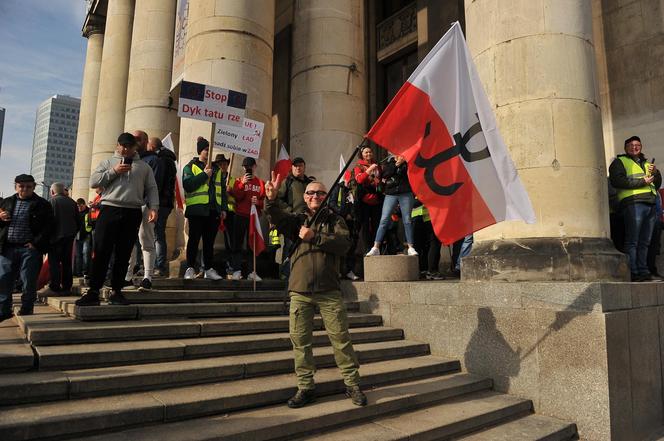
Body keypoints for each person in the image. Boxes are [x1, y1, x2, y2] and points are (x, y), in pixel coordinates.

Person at [264, 173, 367, 408]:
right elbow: (278, 218)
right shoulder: (297, 219)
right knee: (301, 342)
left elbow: (344, 244)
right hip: (300, 291)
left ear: (326, 196)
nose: (315, 196)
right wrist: (270, 200)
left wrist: (314, 236)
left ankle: (352, 384)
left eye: (320, 192)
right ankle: (305, 387)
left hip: (329, 291)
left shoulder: (335, 219)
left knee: (341, 339)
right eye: (310, 192)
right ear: (305, 196)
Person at [75, 132, 159, 306]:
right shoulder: (108, 162)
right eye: (122, 145)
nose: (125, 149)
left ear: (135, 147)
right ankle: (93, 291)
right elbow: (93, 181)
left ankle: (116, 291)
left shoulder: (144, 167)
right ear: (118, 145)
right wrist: (114, 171)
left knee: (124, 253)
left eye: (129, 146)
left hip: (132, 211)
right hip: (109, 209)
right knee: (101, 251)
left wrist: (154, 208)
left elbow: (151, 188)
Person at [609, 135, 662, 282]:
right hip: (633, 203)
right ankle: (634, 272)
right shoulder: (620, 162)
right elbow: (617, 181)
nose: (634, 147)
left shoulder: (646, 163)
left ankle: (644, 271)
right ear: (626, 148)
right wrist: (642, 181)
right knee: (633, 240)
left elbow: (656, 184)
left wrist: (656, 174)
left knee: (645, 241)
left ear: (641, 147)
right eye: (631, 145)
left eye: (637, 145)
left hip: (650, 203)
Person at [0, 174, 54, 321]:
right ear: (15, 186)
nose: (24, 189)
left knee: (28, 280)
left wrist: (36, 244)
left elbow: (48, 228)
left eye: (28, 186)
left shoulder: (43, 204)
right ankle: (4, 310)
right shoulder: (7, 202)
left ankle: (27, 308)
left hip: (29, 249)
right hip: (7, 248)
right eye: (21, 186)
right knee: (3, 280)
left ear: (34, 187)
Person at [182, 137, 226, 280]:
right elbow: (188, 185)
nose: (208, 152)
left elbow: (222, 190)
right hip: (197, 210)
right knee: (194, 240)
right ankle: (190, 268)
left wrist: (223, 208)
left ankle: (208, 268)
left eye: (209, 149)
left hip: (213, 210)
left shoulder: (217, 169)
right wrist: (204, 175)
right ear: (200, 151)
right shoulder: (191, 166)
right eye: (206, 149)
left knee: (209, 242)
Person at [123, 130, 158, 291]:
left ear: (145, 141)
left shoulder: (152, 160)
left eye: (138, 139)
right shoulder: (127, 159)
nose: (134, 142)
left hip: (144, 205)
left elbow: (153, 186)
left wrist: (153, 207)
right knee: (128, 242)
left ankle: (147, 278)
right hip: (129, 205)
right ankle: (128, 276)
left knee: (146, 240)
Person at [365, 155, 417, 257]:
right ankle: (376, 247)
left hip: (405, 193)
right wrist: (397, 164)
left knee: (407, 220)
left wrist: (403, 164)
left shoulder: (408, 162)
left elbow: (409, 174)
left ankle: (411, 247)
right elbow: (386, 174)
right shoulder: (389, 162)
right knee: (384, 220)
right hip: (391, 193)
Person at [228, 156, 265, 281]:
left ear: (255, 167)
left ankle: (251, 272)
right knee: (237, 244)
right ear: (243, 168)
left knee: (252, 245)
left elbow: (265, 202)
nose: (248, 169)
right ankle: (236, 270)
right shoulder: (238, 181)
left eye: (250, 166)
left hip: (253, 218)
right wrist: (242, 184)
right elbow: (237, 197)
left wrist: (258, 202)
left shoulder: (260, 183)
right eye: (246, 167)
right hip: (240, 215)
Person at [276, 156, 314, 277]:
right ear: (292, 168)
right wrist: (289, 211)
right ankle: (286, 274)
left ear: (304, 167)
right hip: (292, 220)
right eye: (295, 166)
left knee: (306, 247)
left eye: (300, 165)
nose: (298, 168)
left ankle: (302, 274)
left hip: (308, 221)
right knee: (289, 247)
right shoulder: (287, 181)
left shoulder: (310, 183)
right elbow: (279, 199)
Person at [41, 182, 80, 297]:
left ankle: (55, 286)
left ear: (52, 192)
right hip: (69, 237)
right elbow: (79, 221)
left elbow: (47, 222)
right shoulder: (72, 202)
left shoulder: (51, 202)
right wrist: (73, 233)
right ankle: (67, 287)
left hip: (55, 238)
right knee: (67, 263)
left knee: (54, 263)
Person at [150, 137, 177, 276]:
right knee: (158, 234)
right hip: (166, 202)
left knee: (157, 235)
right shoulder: (169, 160)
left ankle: (158, 266)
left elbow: (158, 183)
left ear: (153, 145)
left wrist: (152, 202)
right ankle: (157, 265)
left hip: (160, 202)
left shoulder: (161, 160)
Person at [352, 146, 383, 253]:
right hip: (364, 200)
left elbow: (380, 180)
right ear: (362, 154)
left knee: (377, 225)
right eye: (366, 152)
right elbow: (359, 180)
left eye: (370, 152)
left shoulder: (378, 166)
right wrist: (369, 169)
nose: (368, 154)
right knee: (365, 226)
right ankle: (366, 249)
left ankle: (377, 248)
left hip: (377, 200)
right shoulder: (358, 166)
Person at [73, 198, 92, 278]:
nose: (79, 208)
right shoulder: (75, 212)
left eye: (81, 206)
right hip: (77, 236)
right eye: (78, 206)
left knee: (86, 254)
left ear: (84, 204)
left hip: (86, 235)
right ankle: (78, 272)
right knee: (78, 255)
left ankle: (85, 272)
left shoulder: (89, 211)